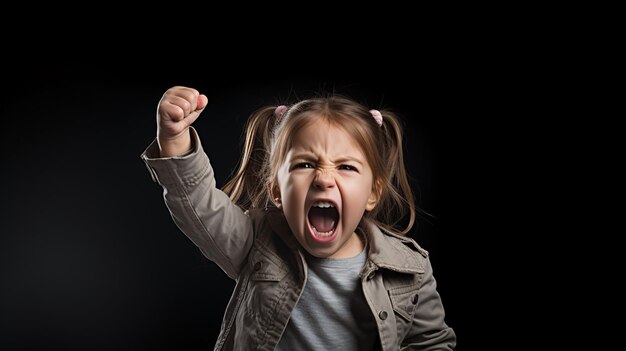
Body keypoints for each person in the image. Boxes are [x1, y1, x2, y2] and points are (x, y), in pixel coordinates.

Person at [140, 86, 456, 350]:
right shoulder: (255, 243)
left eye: (346, 167)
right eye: (304, 165)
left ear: (372, 193)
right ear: (277, 190)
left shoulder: (410, 268)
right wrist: (174, 140)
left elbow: (432, 343)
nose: (323, 179)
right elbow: (200, 204)